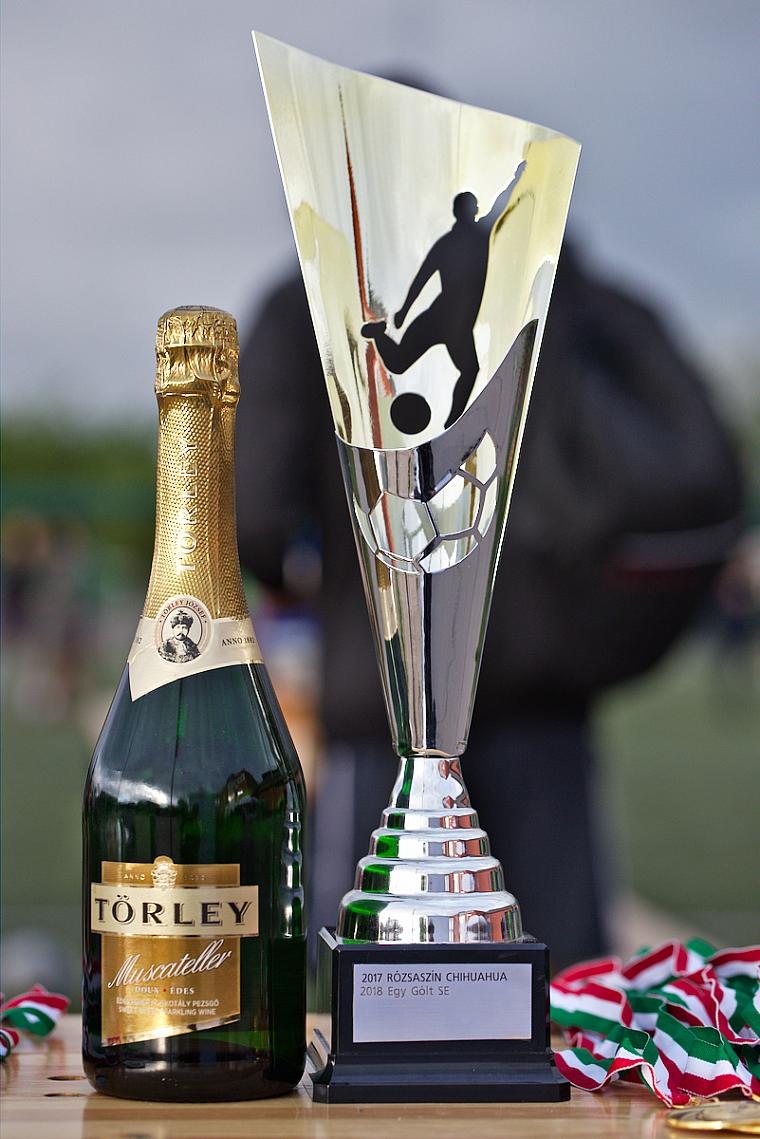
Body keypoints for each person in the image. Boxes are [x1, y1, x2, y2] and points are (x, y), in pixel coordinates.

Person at [235, 239, 743, 970]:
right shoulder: (567, 286)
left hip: (382, 710)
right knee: (565, 987)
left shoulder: (317, 295)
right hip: (544, 707)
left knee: (373, 988)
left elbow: (258, 520)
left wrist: (325, 587)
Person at [362, 162, 526, 427]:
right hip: (443, 319)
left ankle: (451, 424)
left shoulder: (479, 240)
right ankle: (378, 333)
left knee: (468, 370)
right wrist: (404, 310)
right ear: (466, 212)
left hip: (457, 325)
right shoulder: (460, 243)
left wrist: (519, 178)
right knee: (401, 363)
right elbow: (422, 277)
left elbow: (506, 214)